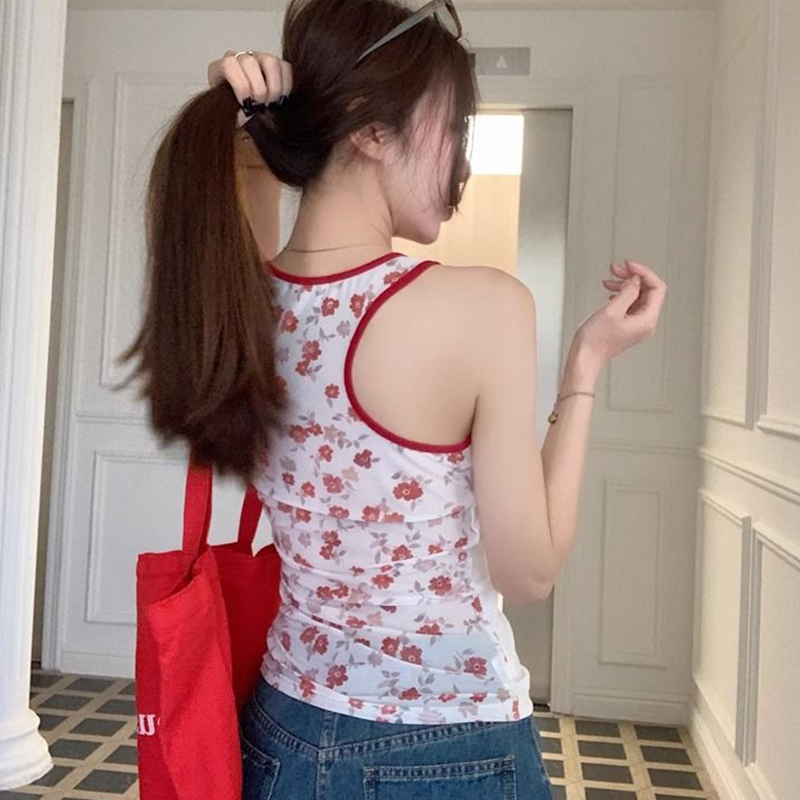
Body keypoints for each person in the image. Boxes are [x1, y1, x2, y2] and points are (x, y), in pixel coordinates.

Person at [118, 0, 666, 796]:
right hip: (449, 745)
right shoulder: (486, 306)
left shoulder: (244, 300)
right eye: (453, 127)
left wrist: (238, 100)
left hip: (280, 731)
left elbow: (244, 171)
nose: (459, 161)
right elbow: (530, 571)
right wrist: (586, 365)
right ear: (373, 130)